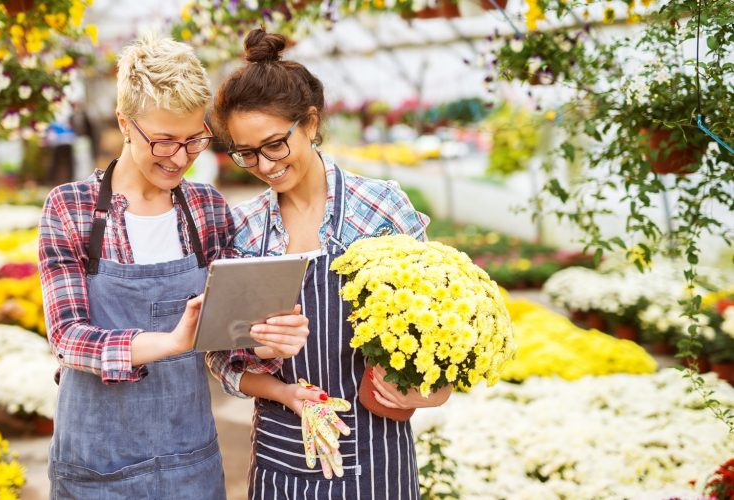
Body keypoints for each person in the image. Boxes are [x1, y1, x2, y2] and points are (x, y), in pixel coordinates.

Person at [38, 33, 310, 499]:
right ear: (125, 123)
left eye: (194, 140)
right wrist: (170, 342)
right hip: (95, 465)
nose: (180, 158)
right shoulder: (71, 208)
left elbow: (229, 343)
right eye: (163, 141)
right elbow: (67, 339)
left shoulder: (207, 209)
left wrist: (266, 343)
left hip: (188, 460)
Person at [207, 28, 453, 499]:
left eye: (275, 144)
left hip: (377, 452)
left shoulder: (381, 208)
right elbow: (221, 357)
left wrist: (433, 391)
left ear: (311, 122)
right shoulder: (245, 228)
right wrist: (269, 368)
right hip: (281, 455)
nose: (265, 165)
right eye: (246, 153)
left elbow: (440, 327)